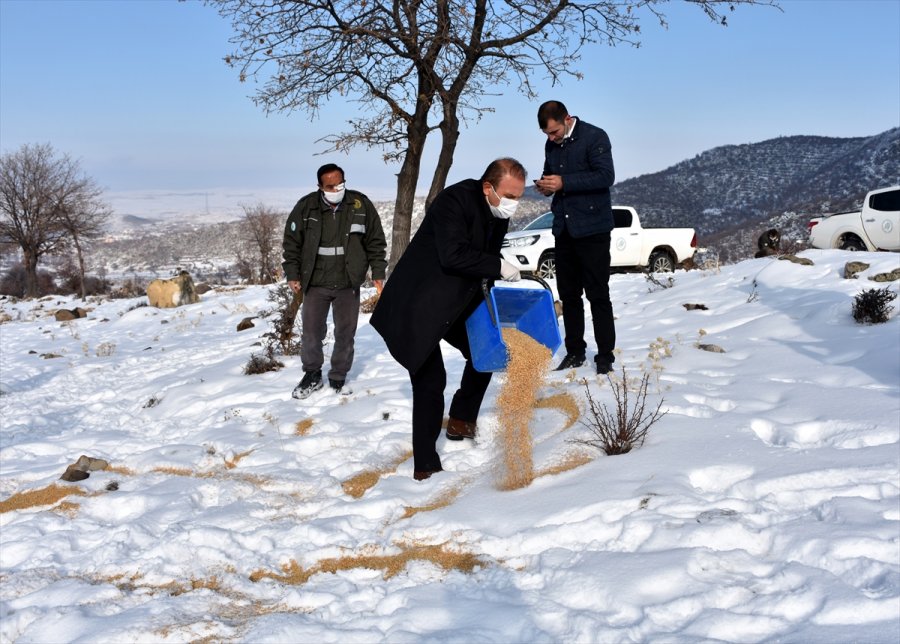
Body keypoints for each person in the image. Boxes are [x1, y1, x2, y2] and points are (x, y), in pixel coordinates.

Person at [371, 158, 526, 481]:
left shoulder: (496, 213)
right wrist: (498, 265)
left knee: (487, 352)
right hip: (418, 303)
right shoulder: (454, 201)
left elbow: (483, 264)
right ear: (488, 187)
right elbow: (453, 254)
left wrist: (496, 297)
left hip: (455, 301)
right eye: (510, 196)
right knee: (430, 381)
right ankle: (425, 466)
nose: (514, 203)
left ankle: (460, 419)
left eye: (519, 197)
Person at [282, 163, 387, 399]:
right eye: (330, 186)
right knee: (311, 332)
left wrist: (378, 272)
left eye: (340, 183)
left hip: (348, 281)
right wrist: (292, 273)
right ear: (320, 186)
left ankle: (338, 376)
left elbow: (376, 242)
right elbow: (291, 243)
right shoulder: (306, 206)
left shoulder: (360, 205)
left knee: (345, 333)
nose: (336, 188)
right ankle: (312, 375)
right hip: (316, 281)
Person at [534, 100, 617, 375]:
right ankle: (574, 351)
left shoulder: (595, 136)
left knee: (598, 294)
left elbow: (606, 176)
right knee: (569, 295)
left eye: (554, 132)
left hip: (593, 229)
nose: (551, 138)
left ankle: (605, 355)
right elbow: (553, 175)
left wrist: (564, 182)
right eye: (547, 134)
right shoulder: (551, 145)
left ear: (567, 119)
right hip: (564, 229)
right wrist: (547, 186)